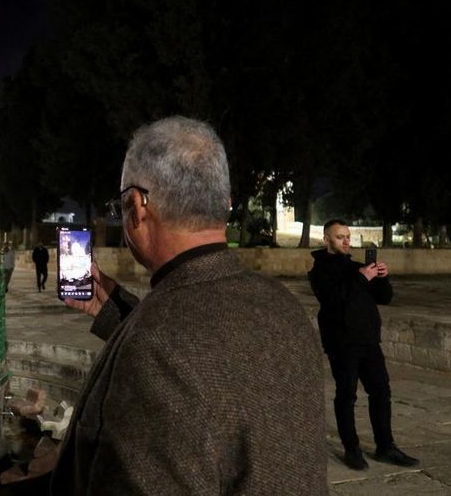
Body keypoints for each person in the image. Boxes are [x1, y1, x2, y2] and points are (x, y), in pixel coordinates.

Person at [51, 116, 326, 494]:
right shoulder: (282, 305)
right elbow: (213, 359)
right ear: (224, 204)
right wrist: (112, 311)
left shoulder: (155, 346)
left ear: (137, 206)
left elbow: (180, 354)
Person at [309, 220, 419, 471]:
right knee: (347, 395)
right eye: (340, 237)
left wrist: (381, 278)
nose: (346, 241)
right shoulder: (320, 272)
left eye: (348, 236)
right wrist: (361, 278)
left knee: (381, 392)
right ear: (326, 239)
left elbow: (385, 298)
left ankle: (386, 447)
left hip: (369, 341)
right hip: (342, 344)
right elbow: (335, 301)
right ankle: (352, 449)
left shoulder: (359, 268)